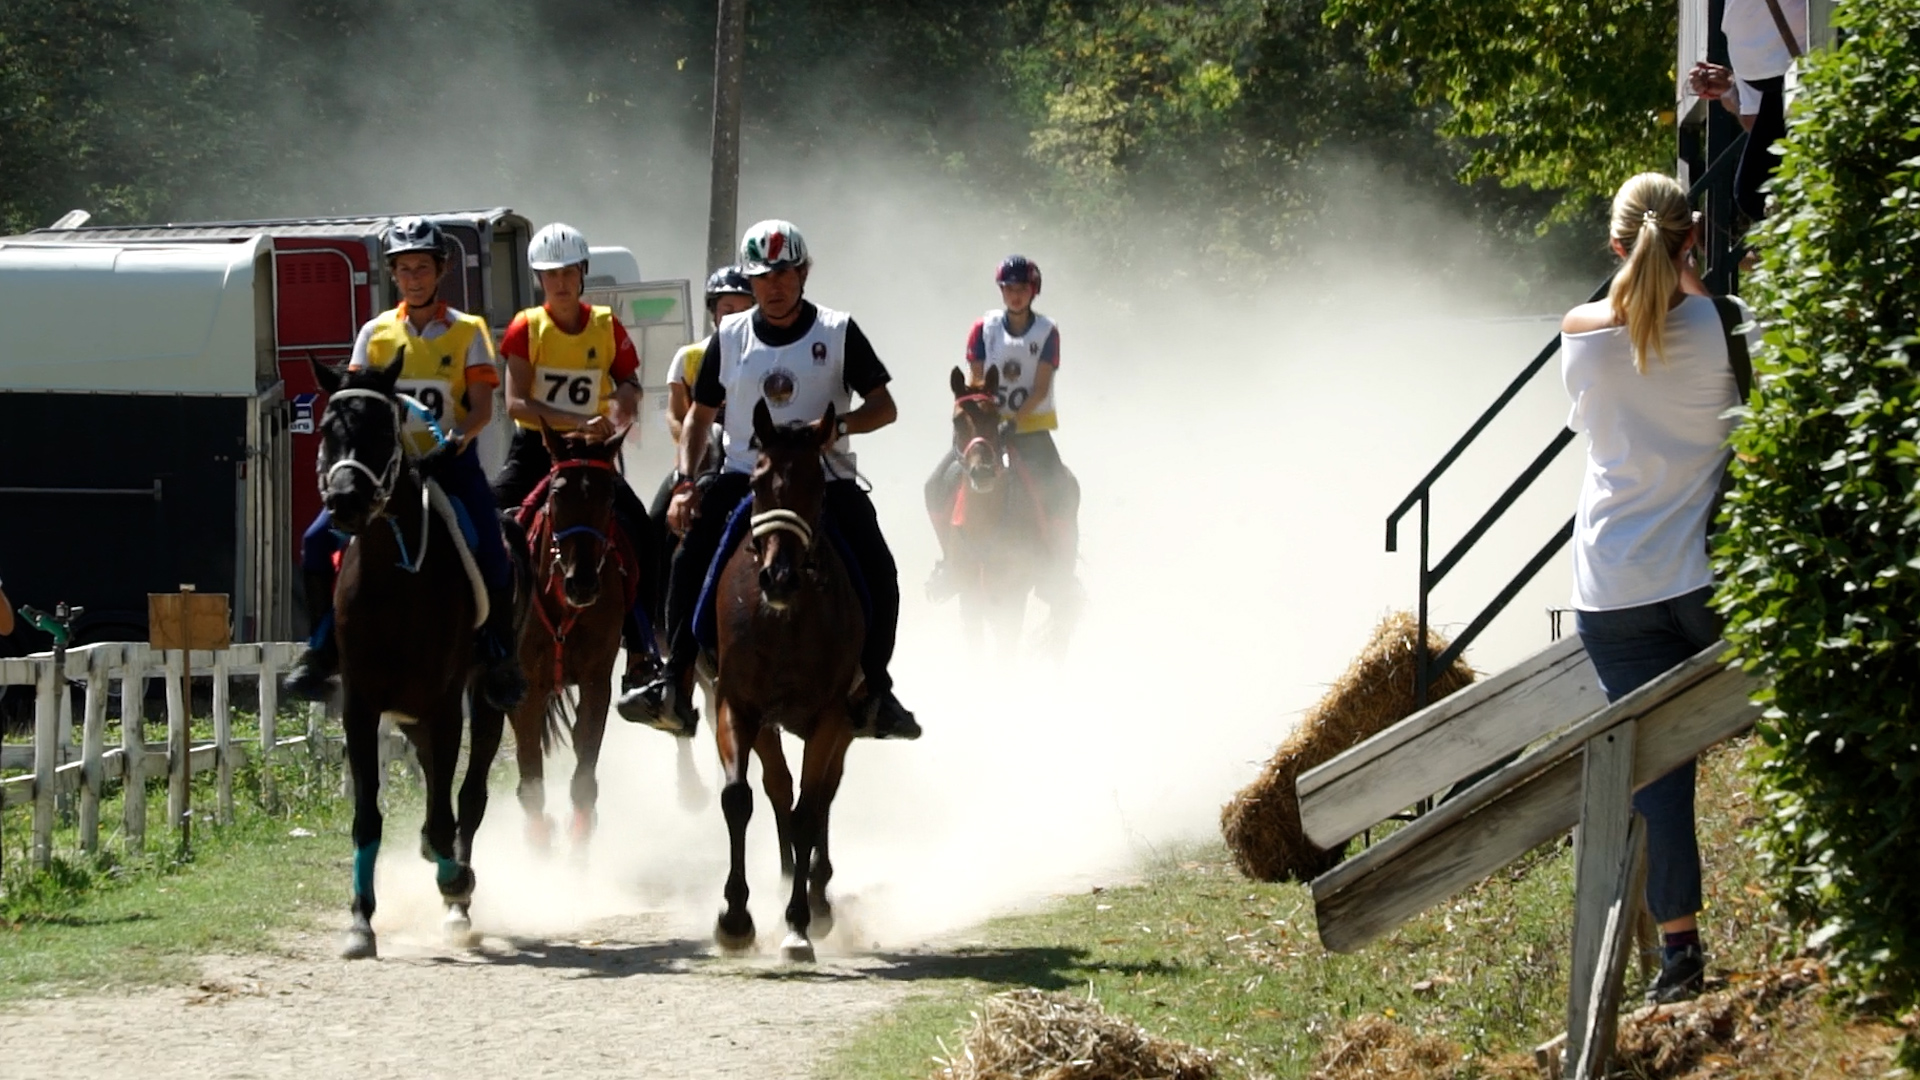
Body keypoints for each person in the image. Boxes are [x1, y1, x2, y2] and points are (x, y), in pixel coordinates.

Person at [1560, 172, 1758, 1005]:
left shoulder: (1582, 336)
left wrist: (1647, 257)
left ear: (1615, 245)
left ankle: (1680, 955)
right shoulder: (1721, 324)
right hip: (1706, 574)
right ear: (1693, 241)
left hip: (1616, 583)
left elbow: (1616, 307)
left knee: (1658, 776)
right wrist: (1689, 267)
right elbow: (1695, 310)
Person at [629, 219, 920, 740]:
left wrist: (839, 428)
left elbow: (885, 406)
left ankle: (876, 688)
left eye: (785, 273)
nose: (775, 285)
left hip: (824, 479)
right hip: (747, 476)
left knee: (880, 569)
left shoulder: (837, 330)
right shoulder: (730, 336)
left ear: (804, 273)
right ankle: (672, 682)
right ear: (750, 281)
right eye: (763, 276)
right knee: (689, 556)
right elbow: (699, 417)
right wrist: (683, 482)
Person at [285, 217, 526, 709]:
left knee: (491, 548)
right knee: (314, 543)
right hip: (383, 473)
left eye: (422, 267)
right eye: (404, 269)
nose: (413, 277)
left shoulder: (468, 332)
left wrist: (451, 445)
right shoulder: (374, 334)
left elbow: (480, 409)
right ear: (393, 275)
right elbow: (352, 404)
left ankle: (500, 654)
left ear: (440, 271)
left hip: (448, 465)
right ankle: (319, 650)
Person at [490, 222, 659, 714]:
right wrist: (575, 420)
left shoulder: (607, 325)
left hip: (592, 457)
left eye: (568, 273)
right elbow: (517, 402)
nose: (560, 283)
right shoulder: (527, 327)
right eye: (550, 275)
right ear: (539, 280)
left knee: (641, 533)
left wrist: (619, 411)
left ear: (582, 274)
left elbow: (628, 383)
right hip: (537, 453)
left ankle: (644, 648)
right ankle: (491, 642)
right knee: (492, 525)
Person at [925, 255, 1080, 602]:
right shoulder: (983, 329)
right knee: (935, 485)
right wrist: (986, 416)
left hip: (1030, 428)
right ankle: (951, 564)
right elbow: (976, 378)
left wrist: (1014, 420)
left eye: (1022, 288)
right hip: (987, 427)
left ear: (1033, 291)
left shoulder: (1046, 332)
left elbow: (1040, 387)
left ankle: (1060, 575)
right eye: (1008, 288)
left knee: (1062, 490)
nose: (1015, 295)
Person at [647, 267, 756, 618]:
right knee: (654, 524)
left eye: (744, 308)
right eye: (728, 309)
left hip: (748, 459)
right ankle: (650, 622)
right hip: (702, 460)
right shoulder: (690, 357)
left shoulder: (763, 356)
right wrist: (695, 453)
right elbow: (677, 416)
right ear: (713, 312)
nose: (735, 317)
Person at [1687, 0, 1807, 222]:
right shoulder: (1735, 21)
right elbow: (1754, 120)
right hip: (1787, 98)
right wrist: (1731, 93)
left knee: (1753, 193)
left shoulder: (1739, 22)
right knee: (1753, 193)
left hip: (1818, 81)